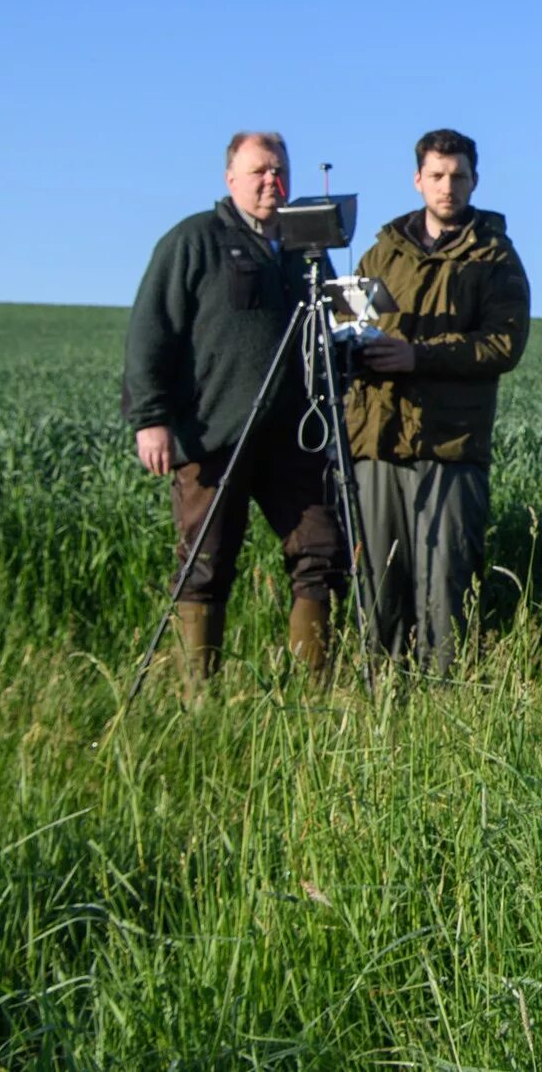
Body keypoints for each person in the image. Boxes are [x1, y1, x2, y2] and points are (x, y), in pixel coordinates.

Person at [124, 132, 348, 685]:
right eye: (259, 172)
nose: (272, 181)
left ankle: (310, 695)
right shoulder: (194, 240)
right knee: (206, 564)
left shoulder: (305, 253)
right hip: (214, 434)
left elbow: (333, 331)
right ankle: (199, 701)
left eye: (279, 172)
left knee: (320, 553)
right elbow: (151, 332)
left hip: (294, 438)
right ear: (231, 179)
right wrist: (151, 419)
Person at [346, 128, 531, 674]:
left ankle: (445, 702)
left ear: (474, 181)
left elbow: (503, 343)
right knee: (377, 579)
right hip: (376, 438)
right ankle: (377, 696)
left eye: (458, 176)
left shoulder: (494, 255)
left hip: (449, 441)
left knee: (446, 582)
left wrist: (418, 357)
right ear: (417, 179)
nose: (447, 186)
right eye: (437, 175)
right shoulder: (383, 252)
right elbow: (350, 325)